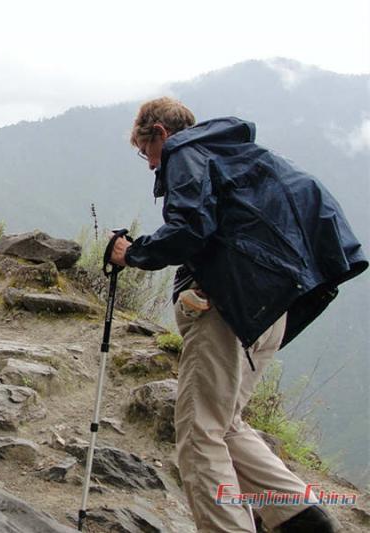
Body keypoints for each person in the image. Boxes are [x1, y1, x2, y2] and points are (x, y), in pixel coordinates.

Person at [110, 97, 366, 532]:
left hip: (226, 311)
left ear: (160, 134)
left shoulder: (184, 152)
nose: (151, 164)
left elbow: (189, 228)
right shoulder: (241, 156)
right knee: (225, 423)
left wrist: (132, 253)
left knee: (198, 435)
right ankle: (297, 516)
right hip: (272, 310)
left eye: (145, 151)